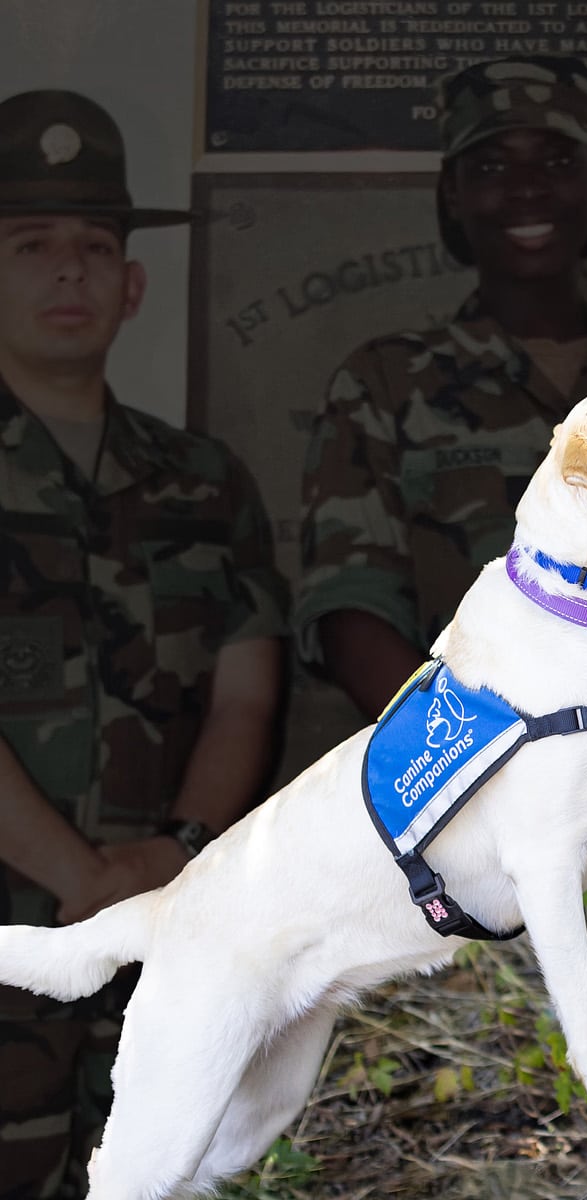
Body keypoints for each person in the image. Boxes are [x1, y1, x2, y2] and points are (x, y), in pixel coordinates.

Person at [295, 54, 587, 777]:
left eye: (556, 160)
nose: (526, 188)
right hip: (458, 789)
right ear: (451, 196)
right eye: (489, 167)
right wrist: (478, 767)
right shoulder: (384, 385)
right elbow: (350, 615)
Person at [0, 90, 289, 1198]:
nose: (67, 273)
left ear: (131, 285)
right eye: (32, 246)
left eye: (93, 248)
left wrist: (171, 853)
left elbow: (244, 700)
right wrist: (81, 879)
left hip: (165, 934)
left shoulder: (204, 481)